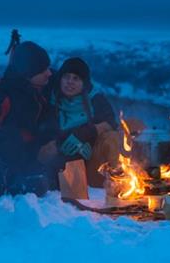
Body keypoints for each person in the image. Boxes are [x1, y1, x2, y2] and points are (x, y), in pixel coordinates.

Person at [0, 41, 58, 196]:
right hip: (7, 151)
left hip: (30, 150)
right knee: (11, 136)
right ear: (28, 74)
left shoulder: (41, 85)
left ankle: (24, 178)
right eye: (43, 70)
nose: (49, 73)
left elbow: (71, 79)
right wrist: (3, 142)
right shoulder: (2, 92)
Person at [45, 57, 120, 188]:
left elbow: (111, 123)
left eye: (76, 78)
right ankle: (71, 188)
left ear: (84, 82)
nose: (70, 82)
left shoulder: (95, 99)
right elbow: (46, 132)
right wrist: (67, 143)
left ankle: (119, 182)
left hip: (96, 164)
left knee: (121, 132)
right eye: (66, 77)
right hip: (67, 164)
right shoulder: (51, 100)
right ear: (60, 79)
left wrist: (85, 134)